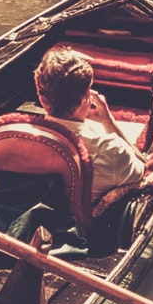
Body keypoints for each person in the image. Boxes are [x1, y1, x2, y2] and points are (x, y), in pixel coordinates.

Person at [31, 45, 145, 201]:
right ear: (86, 98)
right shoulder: (112, 151)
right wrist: (108, 121)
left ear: (41, 98)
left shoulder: (24, 137)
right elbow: (146, 169)